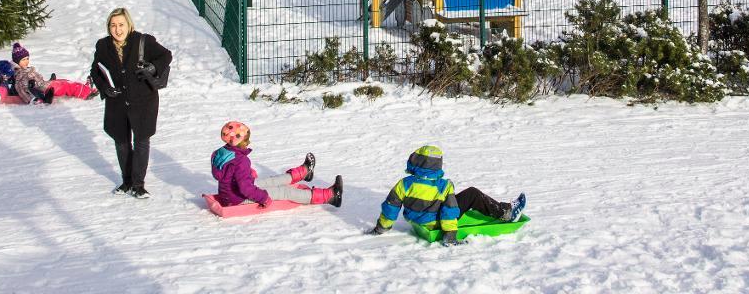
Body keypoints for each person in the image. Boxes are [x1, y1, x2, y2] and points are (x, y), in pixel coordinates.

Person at [367, 145, 526, 245]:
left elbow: (390, 208)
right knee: (472, 194)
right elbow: (449, 212)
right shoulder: (444, 185)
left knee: (450, 200)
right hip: (436, 224)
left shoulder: (404, 183)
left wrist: (381, 228)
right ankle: (506, 213)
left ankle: (501, 210)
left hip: (417, 221)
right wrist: (450, 235)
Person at [90, 7, 172, 199]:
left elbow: (166, 55)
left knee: (142, 141)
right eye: (113, 25)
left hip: (143, 101)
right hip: (116, 102)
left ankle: (138, 184)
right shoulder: (103, 46)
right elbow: (95, 70)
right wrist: (104, 88)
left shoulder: (143, 41)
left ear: (129, 25)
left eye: (121, 25)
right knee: (121, 142)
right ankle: (126, 181)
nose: (117, 29)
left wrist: (152, 68)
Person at [212, 121, 342, 208]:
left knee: (269, 181)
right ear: (240, 141)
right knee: (285, 192)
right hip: (237, 198)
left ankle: (304, 172)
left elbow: (227, 171)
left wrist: (247, 172)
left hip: (228, 194)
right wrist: (263, 198)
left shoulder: (219, 153)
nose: (249, 142)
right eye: (247, 139)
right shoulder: (241, 161)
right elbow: (245, 189)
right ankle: (330, 196)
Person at [8, 42, 96, 105]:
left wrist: (49, 81)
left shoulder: (25, 70)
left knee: (64, 81)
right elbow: (22, 91)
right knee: (67, 86)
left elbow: (38, 82)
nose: (26, 61)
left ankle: (85, 87)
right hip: (45, 90)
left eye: (27, 58)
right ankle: (87, 93)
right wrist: (36, 100)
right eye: (23, 60)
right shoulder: (20, 76)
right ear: (17, 62)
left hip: (45, 85)